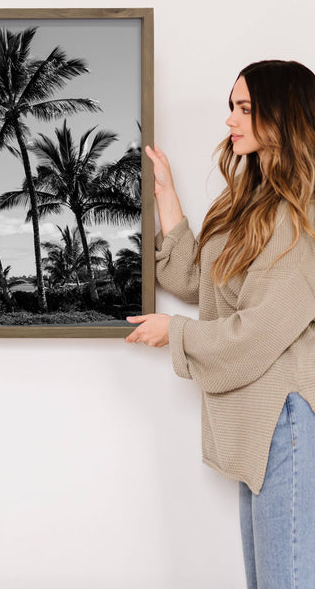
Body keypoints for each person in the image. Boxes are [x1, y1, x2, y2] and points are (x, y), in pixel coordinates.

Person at [126, 60, 315, 588]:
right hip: (259, 426)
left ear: (283, 117)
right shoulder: (249, 201)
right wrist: (165, 193)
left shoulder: (304, 214)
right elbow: (198, 280)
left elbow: (259, 331)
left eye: (246, 109)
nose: (231, 121)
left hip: (287, 423)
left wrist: (175, 334)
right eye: (231, 107)